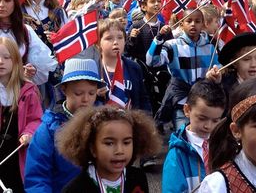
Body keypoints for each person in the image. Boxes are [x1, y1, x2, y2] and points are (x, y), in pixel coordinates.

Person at [24, 58, 101, 192]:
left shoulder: (104, 122)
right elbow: (37, 177)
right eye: (78, 93)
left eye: (91, 93)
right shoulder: (49, 128)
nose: (86, 99)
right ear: (64, 90)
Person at [56, 106, 160, 192]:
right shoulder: (75, 189)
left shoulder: (138, 177)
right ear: (92, 148)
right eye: (109, 143)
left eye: (126, 142)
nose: (120, 150)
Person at [146, 9, 218, 129]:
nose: (193, 24)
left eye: (197, 21)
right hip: (181, 102)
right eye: (189, 21)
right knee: (183, 135)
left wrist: (216, 74)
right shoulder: (172, 45)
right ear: (181, 24)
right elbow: (152, 61)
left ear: (203, 24)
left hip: (203, 101)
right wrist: (159, 39)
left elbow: (218, 67)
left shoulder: (210, 46)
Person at [162, 80, 227, 192]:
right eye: (202, 118)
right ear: (187, 110)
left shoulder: (224, 146)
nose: (208, 126)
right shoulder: (177, 154)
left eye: (215, 120)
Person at [0, 37, 43, 192]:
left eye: (6, 57)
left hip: (16, 154)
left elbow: (36, 118)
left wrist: (29, 133)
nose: (1, 61)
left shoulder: (27, 90)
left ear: (16, 61)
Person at [0, 0, 57, 86]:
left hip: (17, 93)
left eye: (7, 0)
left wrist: (31, 70)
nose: (1, 5)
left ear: (15, 3)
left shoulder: (25, 31)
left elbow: (40, 63)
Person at [97, 19, 151, 112]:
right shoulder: (94, 69)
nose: (115, 42)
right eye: (109, 38)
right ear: (98, 43)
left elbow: (143, 100)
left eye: (120, 37)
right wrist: (95, 95)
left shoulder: (134, 67)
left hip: (130, 122)